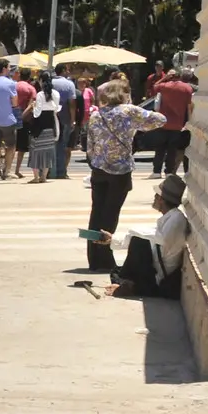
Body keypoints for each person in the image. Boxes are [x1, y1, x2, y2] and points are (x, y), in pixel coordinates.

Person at [81, 78, 167, 272]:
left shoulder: (96, 115)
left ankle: (94, 259)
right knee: (111, 214)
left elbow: (90, 146)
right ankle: (104, 259)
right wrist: (138, 126)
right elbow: (161, 119)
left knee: (96, 213)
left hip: (99, 169)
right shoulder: (129, 111)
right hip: (120, 171)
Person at [113, 174, 189, 298]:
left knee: (138, 242)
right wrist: (114, 240)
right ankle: (127, 282)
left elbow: (160, 240)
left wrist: (132, 235)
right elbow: (151, 234)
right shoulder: (170, 217)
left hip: (159, 276)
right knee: (138, 240)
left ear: (162, 200)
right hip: (157, 265)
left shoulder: (176, 219)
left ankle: (130, 284)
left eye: (156, 196)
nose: (154, 198)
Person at [152, 69, 195, 176]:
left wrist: (164, 77)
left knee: (160, 148)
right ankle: (169, 172)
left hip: (163, 122)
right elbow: (189, 107)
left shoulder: (165, 86)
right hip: (177, 124)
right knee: (172, 150)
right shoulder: (187, 88)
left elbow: (154, 87)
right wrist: (189, 122)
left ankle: (157, 172)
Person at [25, 71, 60, 182]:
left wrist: (33, 107)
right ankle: (43, 176)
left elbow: (37, 113)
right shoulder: (56, 94)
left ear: (40, 81)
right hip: (51, 122)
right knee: (48, 150)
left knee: (35, 150)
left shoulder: (40, 94)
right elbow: (56, 108)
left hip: (40, 124)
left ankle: (36, 177)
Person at [49, 65, 78, 179]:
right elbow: (72, 104)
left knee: (51, 144)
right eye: (67, 70)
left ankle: (49, 170)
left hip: (51, 117)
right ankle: (60, 172)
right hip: (64, 117)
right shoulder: (69, 84)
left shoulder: (50, 82)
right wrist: (73, 120)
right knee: (62, 145)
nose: (68, 72)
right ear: (63, 71)